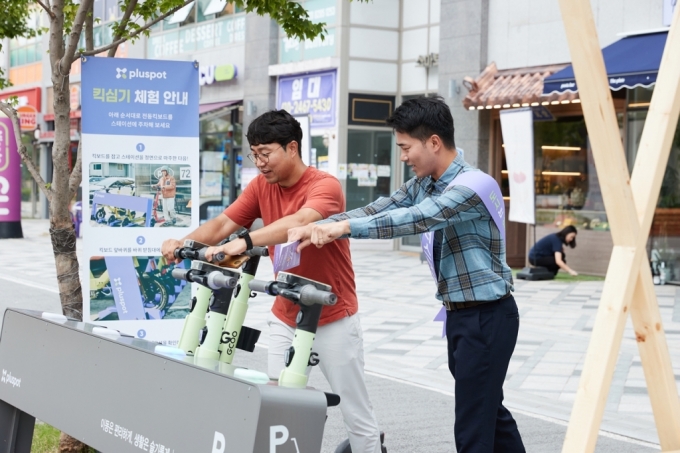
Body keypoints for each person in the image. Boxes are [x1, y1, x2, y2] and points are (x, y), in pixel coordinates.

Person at [289, 96, 525, 453]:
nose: (402, 156)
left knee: (473, 427)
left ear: (433, 142)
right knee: (491, 414)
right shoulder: (425, 182)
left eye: (405, 147)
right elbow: (380, 208)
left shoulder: (471, 187)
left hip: (487, 317)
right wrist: (321, 224)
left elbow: (415, 219)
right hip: (461, 316)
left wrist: (343, 229)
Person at [160, 110, 383, 453]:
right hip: (286, 313)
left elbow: (300, 220)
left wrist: (246, 242)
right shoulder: (261, 186)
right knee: (280, 405)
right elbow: (222, 224)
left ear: (291, 148)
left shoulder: (325, 185)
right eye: (255, 154)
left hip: (333, 315)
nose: (260, 163)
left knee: (356, 411)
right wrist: (182, 242)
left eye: (266, 153)